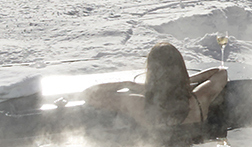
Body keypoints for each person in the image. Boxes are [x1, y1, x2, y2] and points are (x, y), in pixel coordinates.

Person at [85, 42, 227, 136]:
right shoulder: (199, 100)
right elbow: (222, 73)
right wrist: (185, 82)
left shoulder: (139, 104)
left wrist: (127, 84)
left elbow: (90, 95)